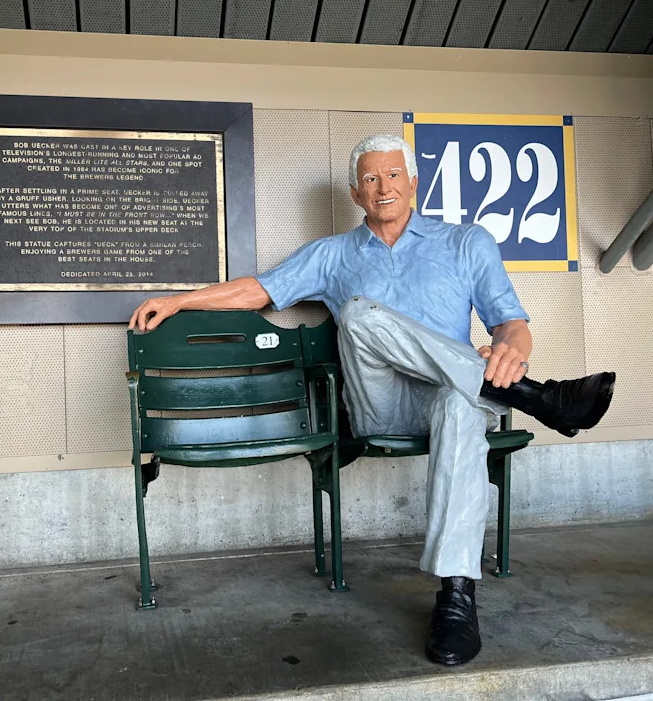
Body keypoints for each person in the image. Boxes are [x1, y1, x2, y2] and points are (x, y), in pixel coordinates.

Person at [129, 134, 615, 667]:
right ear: (358, 196)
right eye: (369, 179)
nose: (382, 187)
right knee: (359, 313)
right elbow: (260, 290)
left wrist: (511, 355)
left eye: (392, 175)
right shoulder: (333, 254)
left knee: (459, 403)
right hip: (379, 405)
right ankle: (538, 399)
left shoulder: (465, 241)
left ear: (412, 182)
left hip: (448, 399)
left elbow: (511, 324)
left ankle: (456, 595)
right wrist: (179, 301)